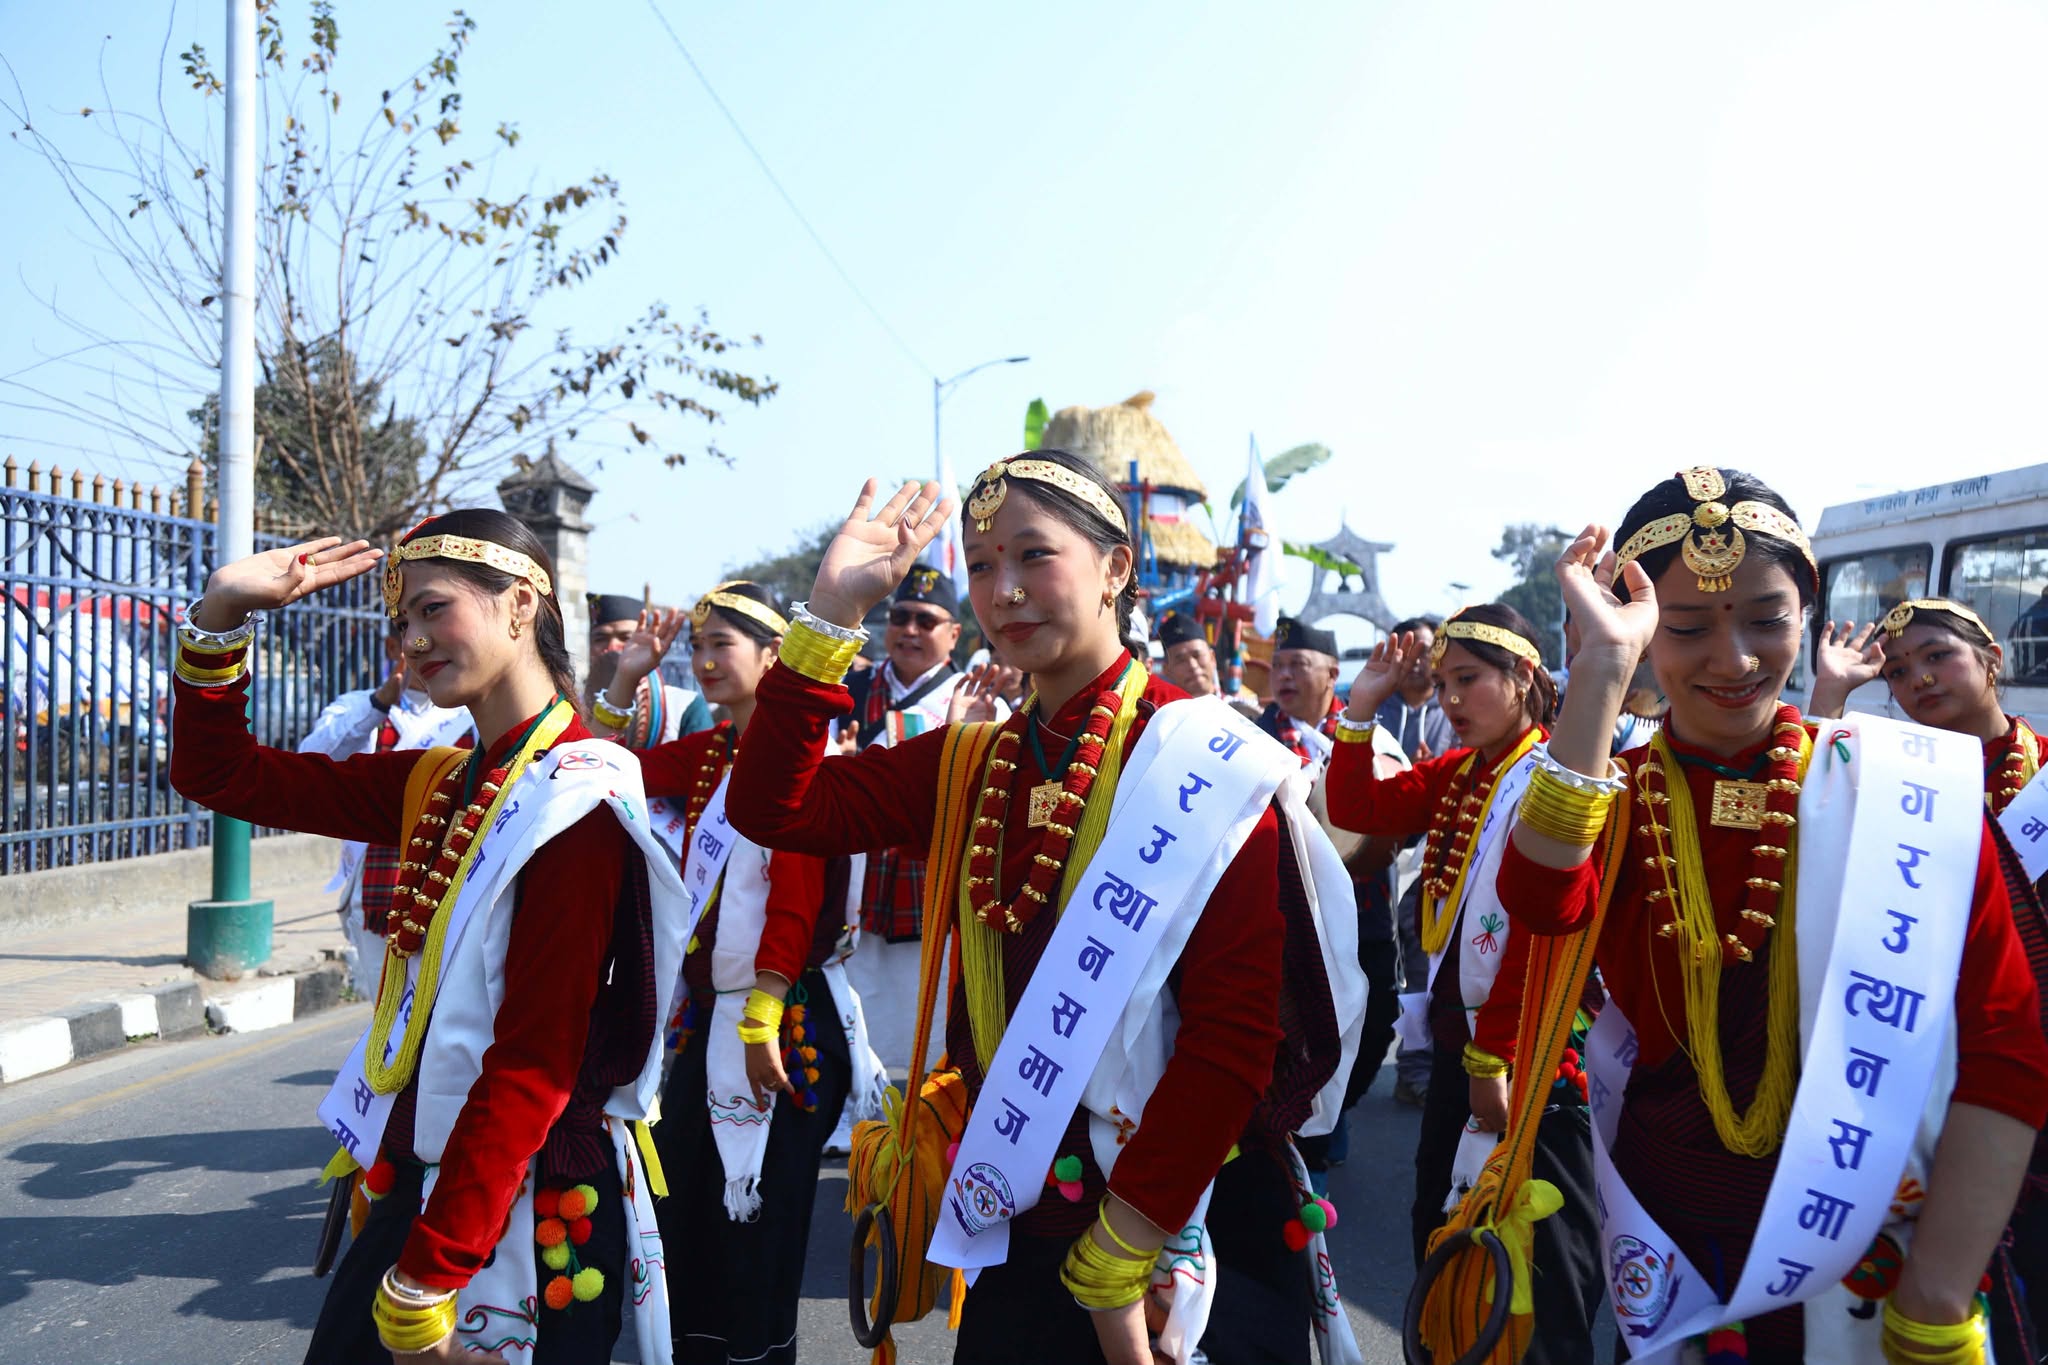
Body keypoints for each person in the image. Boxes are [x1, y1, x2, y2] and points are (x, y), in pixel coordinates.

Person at [725, 453, 1362, 1365]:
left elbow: (1233, 1034)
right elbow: (772, 807)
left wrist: (1123, 1249)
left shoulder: (1199, 759)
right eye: (983, 565)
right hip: (1023, 1211)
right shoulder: (969, 763)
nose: (1005, 591)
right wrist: (830, 613)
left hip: (1180, 1222)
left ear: (1115, 568)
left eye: (1034, 554)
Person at [1500, 468, 2048, 1362]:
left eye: (1767, 620)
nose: (1734, 660)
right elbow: (1538, 900)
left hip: (1879, 1244)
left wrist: (1938, 1293)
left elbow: (2005, 1042)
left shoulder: (1905, 791)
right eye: (1686, 628)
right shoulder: (1614, 796)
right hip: (1677, 1244)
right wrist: (1600, 666)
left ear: (1809, 615)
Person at [169, 511, 689, 1365]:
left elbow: (533, 1063)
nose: (411, 641)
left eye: (433, 609)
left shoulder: (579, 797)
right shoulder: (442, 779)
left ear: (519, 604)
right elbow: (219, 773)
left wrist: (424, 1281)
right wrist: (222, 611)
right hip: (426, 1192)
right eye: (401, 620)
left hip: (522, 1210)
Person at [1327, 602, 1602, 1363]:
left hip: (1526, 1058)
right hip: (1464, 1046)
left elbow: (1538, 934)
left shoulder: (1553, 780)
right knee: (1442, 1226)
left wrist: (1493, 1057)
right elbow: (1356, 807)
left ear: (1523, 677)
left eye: (1469, 679)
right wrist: (1361, 707)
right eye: (1443, 682)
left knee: (1535, 1258)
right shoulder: (1460, 773)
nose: (1450, 699)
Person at [603, 580, 858, 1365]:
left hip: (781, 1020)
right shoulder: (711, 752)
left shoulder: (802, 758)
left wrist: (762, 1014)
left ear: (774, 655)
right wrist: (624, 680)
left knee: (757, 1224)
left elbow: (794, 898)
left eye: (723, 644)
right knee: (687, 1205)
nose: (706, 660)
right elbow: (597, 770)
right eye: (698, 646)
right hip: (713, 1013)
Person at [1811, 597, 2048, 1362]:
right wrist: (1830, 695)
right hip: (1957, 1080)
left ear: (1992, 660)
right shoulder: (1897, 783)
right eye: (1899, 671)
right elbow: (1809, 818)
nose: (1918, 679)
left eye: (1937, 655)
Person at [831, 566, 1007, 1109]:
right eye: (901, 617)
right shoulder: (849, 690)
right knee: (853, 1022)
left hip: (930, 893)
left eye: (925, 621)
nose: (909, 630)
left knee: (927, 1030)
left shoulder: (980, 700)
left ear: (954, 634)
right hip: (853, 886)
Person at [1259, 616, 1403, 1188]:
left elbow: (1398, 823)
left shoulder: (1369, 737)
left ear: (1332, 674)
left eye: (1298, 665)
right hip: (1285, 917)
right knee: (1298, 1030)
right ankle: (1302, 1135)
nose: (1285, 675)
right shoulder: (1252, 736)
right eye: (1278, 665)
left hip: (1364, 912)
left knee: (1375, 1022)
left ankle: (1334, 1108)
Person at [297, 621, 474, 998]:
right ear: (394, 647)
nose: (429, 654)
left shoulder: (471, 713)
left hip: (452, 874)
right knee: (385, 1003)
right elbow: (311, 760)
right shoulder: (358, 706)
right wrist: (378, 705)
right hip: (378, 882)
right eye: (418, 642)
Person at [1372, 614, 1451, 1108]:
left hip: (1436, 862)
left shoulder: (1454, 707)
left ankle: (1417, 1068)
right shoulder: (1372, 710)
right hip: (1379, 862)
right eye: (1411, 650)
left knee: (1425, 968)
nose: (1420, 660)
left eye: (1428, 650)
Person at [586, 592, 714, 744]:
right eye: (600, 639)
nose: (612, 647)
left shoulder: (684, 707)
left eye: (626, 638)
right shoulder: (572, 707)